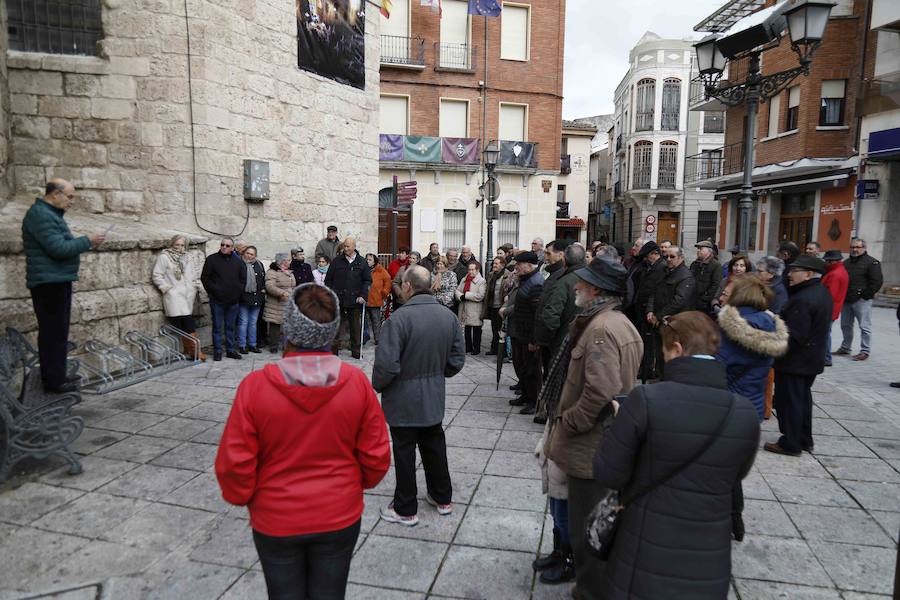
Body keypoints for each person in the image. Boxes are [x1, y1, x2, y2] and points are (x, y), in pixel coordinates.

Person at [215, 283, 391, 599]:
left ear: (290, 328)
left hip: (276, 516)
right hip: (338, 512)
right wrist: (351, 484)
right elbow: (376, 454)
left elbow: (234, 461)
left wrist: (245, 496)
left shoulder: (255, 387)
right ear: (332, 329)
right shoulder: (356, 384)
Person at [593, 311, 760, 600]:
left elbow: (609, 473)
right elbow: (736, 475)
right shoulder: (744, 411)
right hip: (709, 555)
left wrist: (615, 425)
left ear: (678, 349)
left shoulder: (646, 400)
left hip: (645, 546)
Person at [543, 258, 643, 600]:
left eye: (581, 283)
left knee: (587, 522)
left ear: (596, 289)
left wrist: (571, 420)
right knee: (579, 513)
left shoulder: (601, 328)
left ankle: (590, 590)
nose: (575, 287)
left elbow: (601, 390)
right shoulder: (613, 321)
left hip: (590, 441)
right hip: (596, 437)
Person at [373, 265, 466, 526]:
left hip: (403, 398)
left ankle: (405, 508)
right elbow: (457, 358)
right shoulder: (447, 317)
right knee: (434, 445)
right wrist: (437, 373)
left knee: (404, 452)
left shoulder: (398, 319)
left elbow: (387, 366)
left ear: (407, 286)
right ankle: (442, 497)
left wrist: (378, 386)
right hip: (432, 396)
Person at [22, 179, 105, 392]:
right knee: (53, 333)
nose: (71, 202)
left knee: (57, 333)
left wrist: (86, 242)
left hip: (55, 280)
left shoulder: (48, 214)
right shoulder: (41, 215)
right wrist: (87, 240)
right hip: (49, 282)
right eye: (69, 197)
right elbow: (57, 248)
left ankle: (57, 377)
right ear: (55, 194)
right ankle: (54, 382)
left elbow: (61, 245)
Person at [767, 255, 833, 456]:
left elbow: (794, 336)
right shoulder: (819, 291)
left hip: (796, 362)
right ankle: (804, 439)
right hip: (809, 360)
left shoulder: (803, 299)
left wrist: (773, 346)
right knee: (802, 400)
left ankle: (791, 443)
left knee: (791, 402)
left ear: (809, 274)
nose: (789, 274)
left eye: (795, 271)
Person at [717, 275, 789, 420]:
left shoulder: (739, 326)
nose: (720, 298)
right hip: (753, 401)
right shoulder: (766, 320)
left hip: (733, 404)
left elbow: (721, 365)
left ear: (739, 295)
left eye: (725, 294)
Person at [152, 235, 205, 361]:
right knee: (184, 322)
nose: (180, 248)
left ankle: (190, 351)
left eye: (182, 245)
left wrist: (195, 287)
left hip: (187, 295)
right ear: (172, 244)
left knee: (187, 322)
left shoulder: (188, 257)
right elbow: (157, 275)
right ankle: (195, 351)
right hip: (174, 295)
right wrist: (167, 288)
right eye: (177, 245)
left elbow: (193, 274)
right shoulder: (165, 257)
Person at [646, 246, 695, 376]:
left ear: (680, 258)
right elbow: (654, 292)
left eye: (672, 257)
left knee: (672, 354)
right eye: (666, 256)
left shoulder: (686, 276)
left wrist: (658, 315)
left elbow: (679, 300)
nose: (668, 259)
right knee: (660, 352)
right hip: (659, 320)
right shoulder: (663, 271)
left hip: (674, 323)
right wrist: (650, 310)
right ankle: (660, 377)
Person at [534, 241, 583, 372]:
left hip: (562, 341)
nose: (545, 257)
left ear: (563, 257)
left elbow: (550, 315)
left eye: (548, 253)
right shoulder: (587, 278)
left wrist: (544, 339)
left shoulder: (562, 281)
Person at [507, 251, 544, 415]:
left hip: (529, 334)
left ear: (529, 265)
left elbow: (537, 313)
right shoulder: (526, 279)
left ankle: (534, 400)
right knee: (523, 366)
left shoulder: (536, 283)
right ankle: (526, 395)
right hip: (521, 331)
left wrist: (534, 340)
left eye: (518, 265)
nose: (516, 268)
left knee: (532, 369)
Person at [836, 238, 883, 361]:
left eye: (858, 247)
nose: (855, 249)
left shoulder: (872, 263)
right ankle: (845, 347)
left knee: (864, 326)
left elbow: (877, 282)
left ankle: (865, 350)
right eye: (852, 247)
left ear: (864, 248)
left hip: (862, 300)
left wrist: (865, 296)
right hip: (846, 299)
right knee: (845, 325)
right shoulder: (846, 263)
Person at [201, 237, 247, 361]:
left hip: (233, 301)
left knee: (230, 327)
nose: (224, 247)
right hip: (217, 301)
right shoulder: (211, 260)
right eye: (222, 245)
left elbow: (243, 279)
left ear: (232, 248)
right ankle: (218, 351)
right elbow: (205, 278)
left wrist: (237, 293)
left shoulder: (238, 262)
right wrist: (214, 291)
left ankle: (230, 350)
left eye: (227, 245)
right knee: (217, 326)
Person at [325, 237, 371, 359]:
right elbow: (328, 280)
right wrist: (331, 294)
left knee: (355, 327)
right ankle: (333, 351)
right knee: (335, 326)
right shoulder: (336, 261)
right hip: (338, 299)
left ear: (354, 247)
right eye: (344, 246)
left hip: (355, 299)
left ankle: (356, 351)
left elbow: (367, 280)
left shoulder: (362, 262)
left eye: (348, 246)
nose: (345, 249)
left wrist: (363, 295)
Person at [634, 241, 666, 382]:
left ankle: (649, 371)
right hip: (643, 310)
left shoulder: (661, 268)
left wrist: (651, 311)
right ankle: (645, 369)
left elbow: (654, 291)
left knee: (651, 344)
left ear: (655, 254)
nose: (646, 260)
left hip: (651, 312)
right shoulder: (651, 267)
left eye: (647, 256)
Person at [263, 253, 296, 354]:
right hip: (276, 304)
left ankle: (287, 346)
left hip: (288, 303)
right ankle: (274, 346)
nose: (290, 262)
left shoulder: (289, 272)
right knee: (275, 326)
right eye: (288, 260)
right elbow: (269, 286)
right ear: (282, 261)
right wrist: (282, 292)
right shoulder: (272, 272)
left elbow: (292, 286)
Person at [821, 250, 848, 367]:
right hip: (834, 307)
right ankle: (826, 357)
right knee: (826, 332)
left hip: (829, 309)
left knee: (825, 333)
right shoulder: (840, 271)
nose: (825, 263)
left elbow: (829, 295)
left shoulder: (835, 274)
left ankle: (826, 358)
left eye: (827, 261)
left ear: (833, 261)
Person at [237, 245, 266, 354]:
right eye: (247, 253)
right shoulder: (239, 264)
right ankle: (242, 345)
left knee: (253, 322)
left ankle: (252, 344)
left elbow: (263, 279)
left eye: (252, 254)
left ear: (255, 255)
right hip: (244, 298)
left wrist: (263, 290)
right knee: (243, 322)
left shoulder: (259, 264)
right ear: (244, 253)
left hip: (257, 298)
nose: (249, 256)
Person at [456, 261, 487, 355]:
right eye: (469, 269)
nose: (471, 271)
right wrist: (460, 296)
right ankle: (468, 347)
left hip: (475, 308)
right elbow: (457, 290)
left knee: (476, 329)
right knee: (467, 328)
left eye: (473, 269)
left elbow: (480, 295)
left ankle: (476, 348)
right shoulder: (464, 279)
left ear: (477, 270)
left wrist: (466, 295)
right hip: (465, 306)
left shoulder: (481, 281)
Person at [484, 256, 509, 356]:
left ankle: (502, 351)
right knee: (494, 329)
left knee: (501, 329)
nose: (494, 265)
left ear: (502, 265)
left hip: (501, 306)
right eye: (493, 263)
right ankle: (494, 349)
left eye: (496, 263)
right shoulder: (491, 275)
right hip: (492, 306)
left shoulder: (507, 275)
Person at [365, 253, 391, 345]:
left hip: (375, 299)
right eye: (367, 259)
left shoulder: (381, 270)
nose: (367, 261)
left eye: (370, 260)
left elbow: (388, 282)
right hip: (365, 299)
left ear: (374, 261)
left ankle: (378, 338)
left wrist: (383, 293)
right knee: (365, 321)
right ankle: (365, 338)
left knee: (376, 320)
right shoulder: (364, 270)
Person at [691, 240, 723, 314]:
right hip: (692, 301)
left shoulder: (716, 265)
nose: (698, 251)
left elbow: (716, 285)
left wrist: (704, 299)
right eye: (698, 249)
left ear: (709, 251)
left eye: (701, 249)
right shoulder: (694, 264)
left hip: (705, 305)